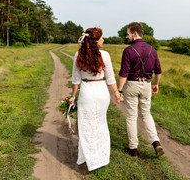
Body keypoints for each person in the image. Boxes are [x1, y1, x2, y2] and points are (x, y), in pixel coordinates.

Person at [68, 27, 123, 171]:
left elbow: (75, 79)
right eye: (101, 38)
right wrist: (116, 93)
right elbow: (110, 79)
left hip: (87, 92)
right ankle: (100, 157)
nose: (103, 40)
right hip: (101, 92)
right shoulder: (105, 55)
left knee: (86, 126)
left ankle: (89, 157)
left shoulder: (78, 55)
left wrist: (73, 96)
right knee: (100, 124)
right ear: (95, 41)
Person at [118, 22, 164, 158]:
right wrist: (156, 84)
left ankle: (133, 149)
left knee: (132, 117)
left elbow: (124, 73)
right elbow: (159, 71)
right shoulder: (152, 50)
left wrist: (119, 90)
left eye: (128, 34)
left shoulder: (128, 51)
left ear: (135, 33)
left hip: (132, 84)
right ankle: (156, 142)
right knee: (146, 114)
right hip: (146, 85)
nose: (126, 37)